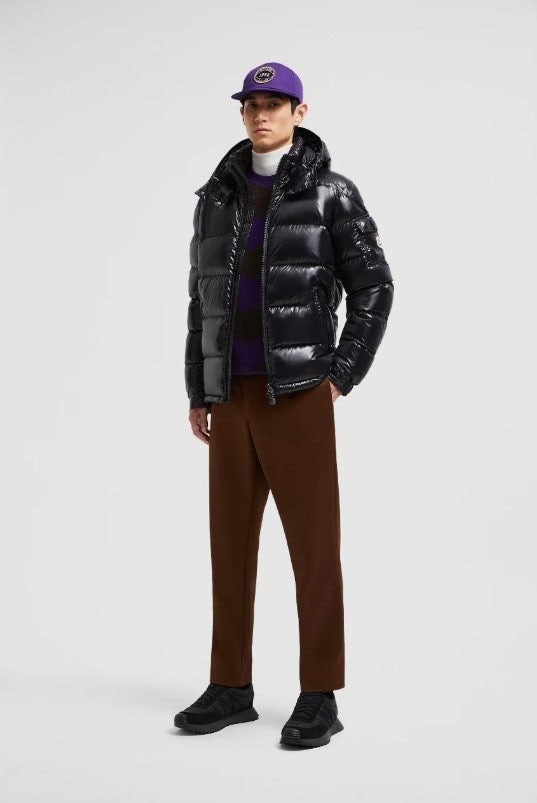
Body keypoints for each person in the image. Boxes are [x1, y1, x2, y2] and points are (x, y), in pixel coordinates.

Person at [174, 62, 394, 748]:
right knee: (228, 548)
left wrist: (341, 373)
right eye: (252, 104)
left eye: (275, 104)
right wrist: (199, 388)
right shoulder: (217, 196)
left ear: (300, 112)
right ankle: (230, 686)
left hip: (298, 392)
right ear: (241, 113)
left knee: (314, 549)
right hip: (230, 396)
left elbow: (374, 285)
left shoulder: (331, 192)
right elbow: (201, 299)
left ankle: (319, 693)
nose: (261, 114)